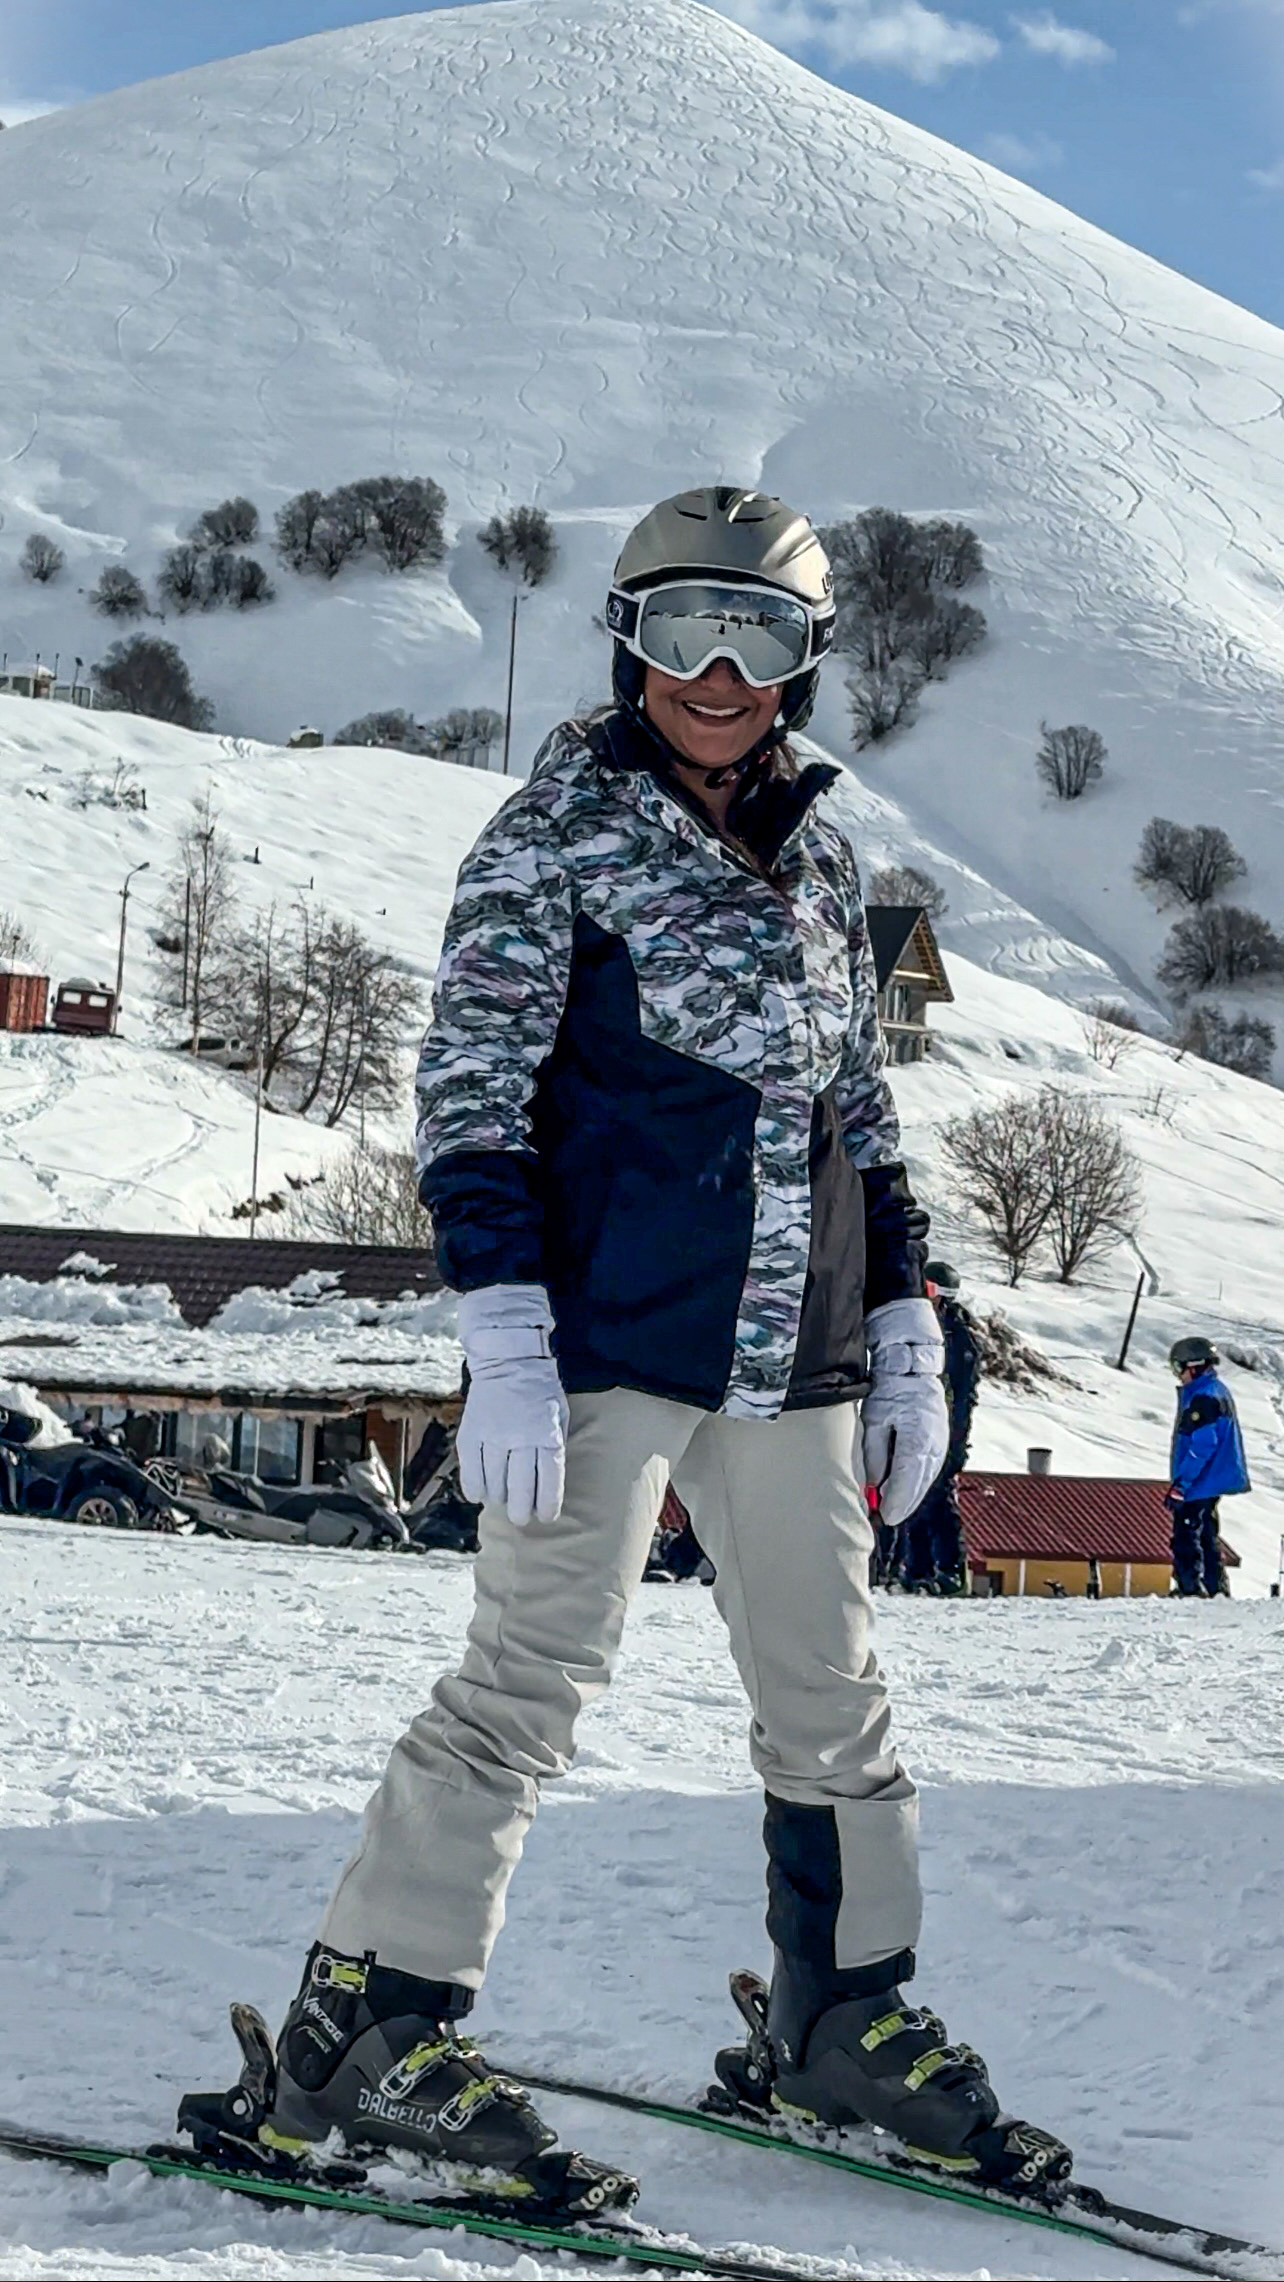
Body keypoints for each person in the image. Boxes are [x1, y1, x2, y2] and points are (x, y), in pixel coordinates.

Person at [228, 487, 1068, 2205]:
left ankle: (840, 2016)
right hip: (606, 1335)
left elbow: (858, 1105)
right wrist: (504, 1326)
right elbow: (466, 1089)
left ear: (804, 661)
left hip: (794, 1360)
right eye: (679, 624)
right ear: (622, 635)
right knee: (526, 1684)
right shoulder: (553, 834)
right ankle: (372, 2026)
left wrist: (899, 1315)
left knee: (833, 1700)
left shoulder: (825, 853)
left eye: (753, 633)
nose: (712, 667)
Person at [891, 1260, 980, 1595]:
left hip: (942, 1426)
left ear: (943, 1295)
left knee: (938, 1495)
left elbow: (963, 1394)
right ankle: (916, 1568)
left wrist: (957, 1440)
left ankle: (950, 1568)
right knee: (913, 1490)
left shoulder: (957, 1337)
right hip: (916, 1420)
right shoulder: (915, 1322)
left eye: (928, 1290)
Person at [1167, 1335, 1248, 1597]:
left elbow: (1203, 1445)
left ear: (1194, 1366)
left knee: (1187, 1534)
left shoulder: (1203, 1397)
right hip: (1212, 1480)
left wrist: (1182, 1483)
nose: (1178, 1375)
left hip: (1201, 1480)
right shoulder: (1217, 1390)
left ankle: (1191, 1587)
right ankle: (1215, 1587)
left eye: (1179, 1368)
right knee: (1207, 1533)